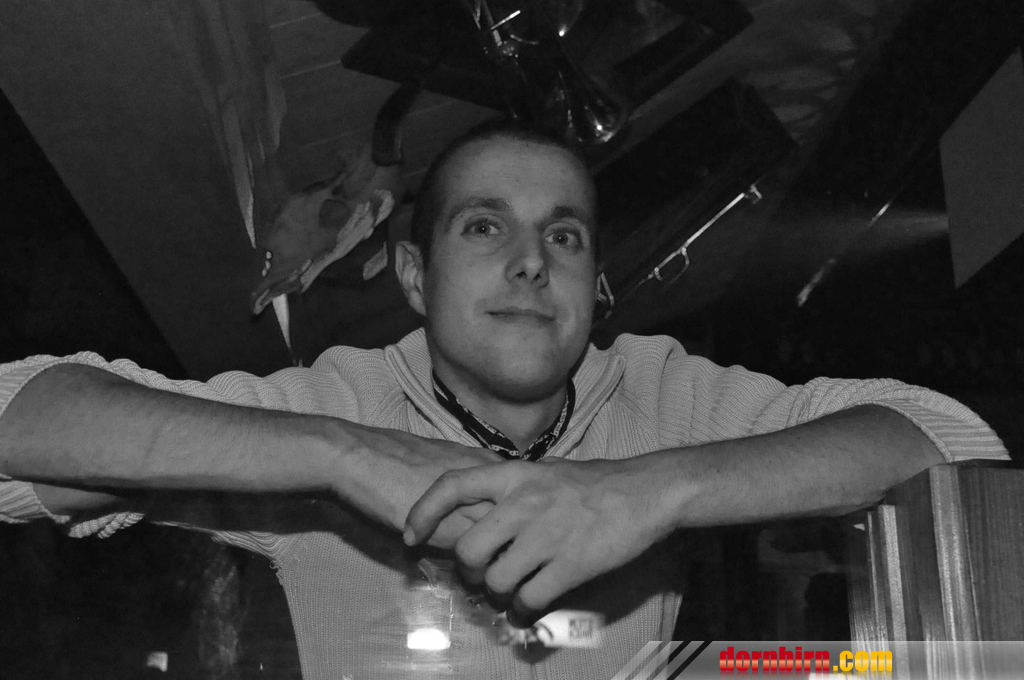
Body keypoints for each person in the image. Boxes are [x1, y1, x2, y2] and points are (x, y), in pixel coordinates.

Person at [0, 121, 1008, 679]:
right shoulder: (337, 397)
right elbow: (16, 425)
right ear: (412, 275)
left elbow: (950, 439)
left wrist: (648, 490)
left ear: (595, 286)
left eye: (563, 235)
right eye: (485, 227)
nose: (531, 261)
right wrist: (345, 454)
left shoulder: (661, 391)